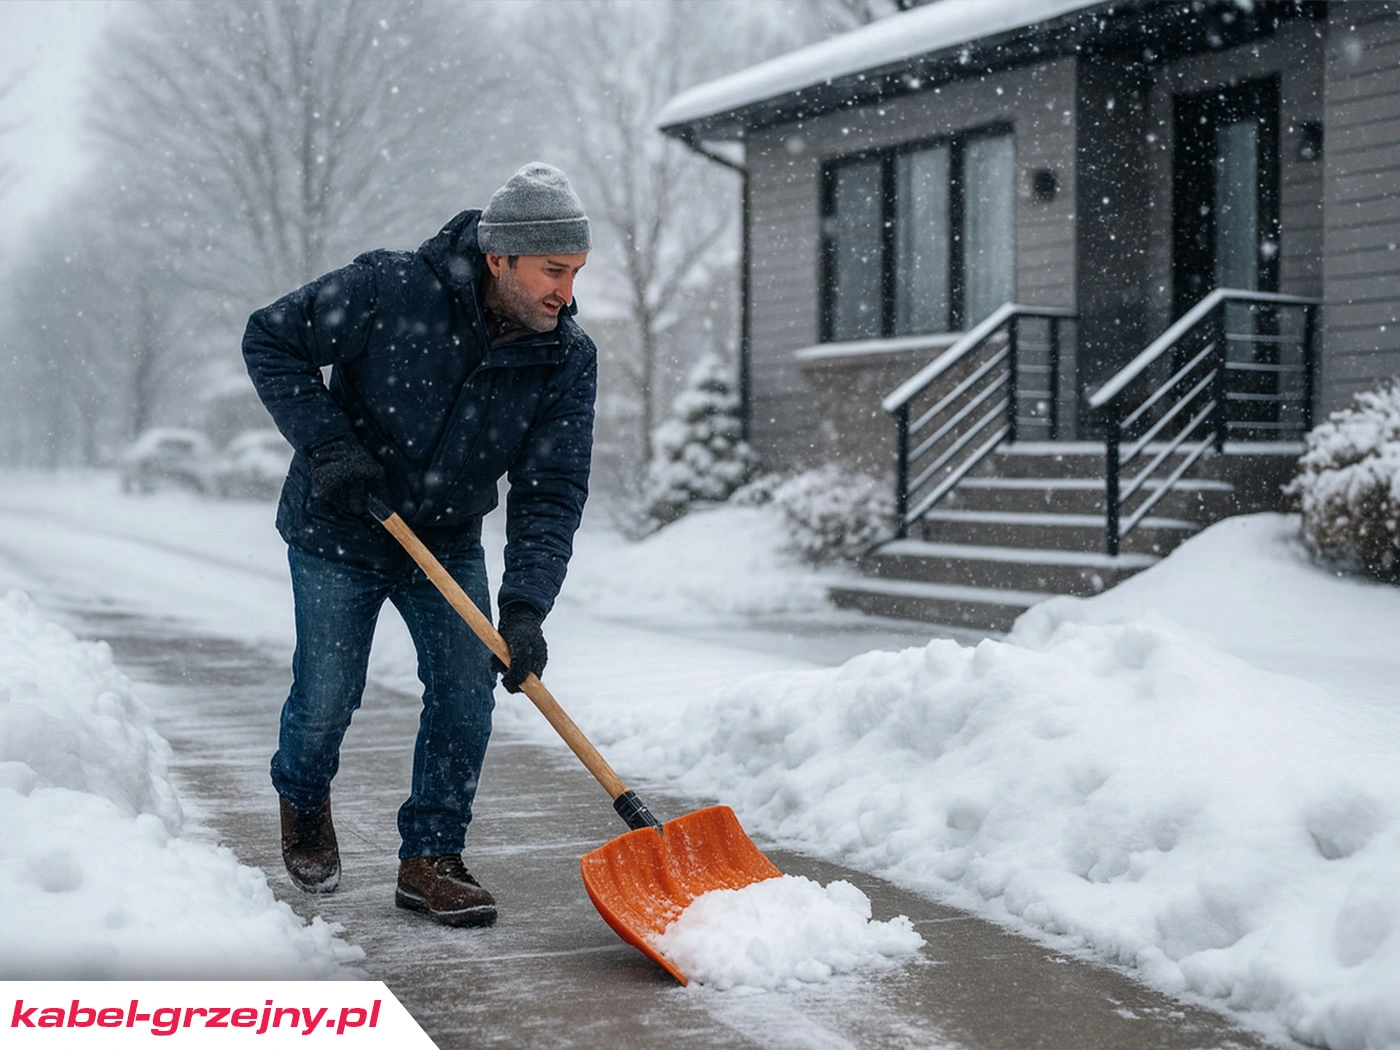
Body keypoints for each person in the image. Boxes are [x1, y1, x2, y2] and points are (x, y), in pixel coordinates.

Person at [241, 162, 596, 928]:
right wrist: (331, 448)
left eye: (574, 273)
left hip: (444, 533)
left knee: (467, 692)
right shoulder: (389, 289)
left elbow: (551, 490)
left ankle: (431, 857)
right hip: (338, 523)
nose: (566, 292)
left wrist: (526, 607)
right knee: (329, 691)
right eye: (553, 270)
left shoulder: (564, 358)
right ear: (501, 258)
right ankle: (303, 796)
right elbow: (271, 338)